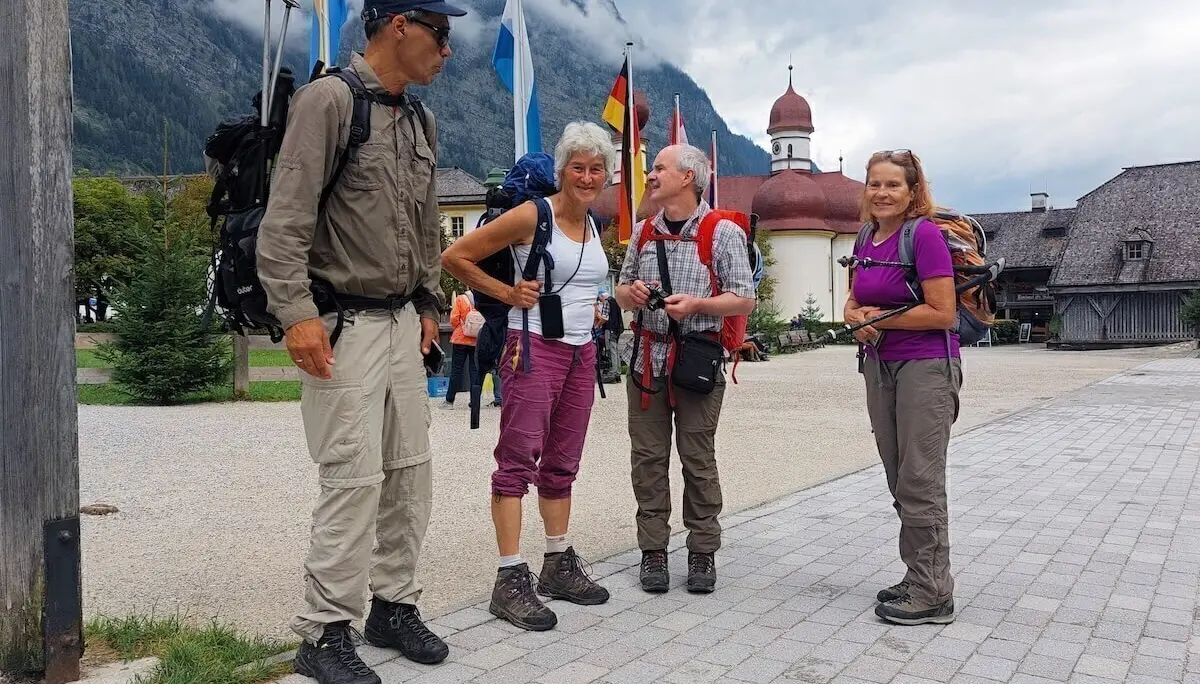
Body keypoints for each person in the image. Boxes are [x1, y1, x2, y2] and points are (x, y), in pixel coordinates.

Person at [255, 1, 466, 681]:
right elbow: (284, 221)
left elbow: (426, 223)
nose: (449, 49)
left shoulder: (420, 119)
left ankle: (392, 606)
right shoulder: (329, 102)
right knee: (352, 479)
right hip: (342, 323)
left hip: (404, 322)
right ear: (398, 24)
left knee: (410, 475)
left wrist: (430, 302)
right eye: (442, 33)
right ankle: (322, 633)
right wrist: (296, 314)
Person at [441, 122, 614, 631]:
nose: (587, 176)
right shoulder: (533, 215)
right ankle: (509, 577)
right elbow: (455, 256)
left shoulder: (593, 224)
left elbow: (582, 280)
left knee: (563, 461)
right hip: (533, 347)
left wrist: (598, 307)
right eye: (578, 167)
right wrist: (508, 292)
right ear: (561, 171)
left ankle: (557, 563)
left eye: (596, 168)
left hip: (582, 351)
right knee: (517, 461)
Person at [613, 144, 756, 594]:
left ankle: (702, 551)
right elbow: (619, 289)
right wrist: (629, 294)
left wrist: (697, 305)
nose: (651, 175)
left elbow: (744, 298)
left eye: (659, 168)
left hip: (697, 359)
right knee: (648, 460)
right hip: (646, 359)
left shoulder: (722, 232)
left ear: (688, 177)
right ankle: (653, 551)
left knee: (697, 457)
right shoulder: (642, 233)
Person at [843, 149, 961, 626]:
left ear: (913, 192)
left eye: (893, 185)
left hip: (926, 367)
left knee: (920, 480)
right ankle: (919, 573)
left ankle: (934, 592)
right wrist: (854, 317)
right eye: (875, 184)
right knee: (898, 476)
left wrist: (879, 320)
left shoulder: (925, 235)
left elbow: (943, 312)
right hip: (880, 367)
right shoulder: (868, 236)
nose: (882, 193)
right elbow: (855, 299)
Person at [443, 292, 501, 410]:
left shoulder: (461, 299)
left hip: (460, 339)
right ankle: (474, 402)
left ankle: (449, 400)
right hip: (476, 340)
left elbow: (454, 319)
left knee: (456, 370)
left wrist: (462, 328)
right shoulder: (482, 299)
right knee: (474, 371)